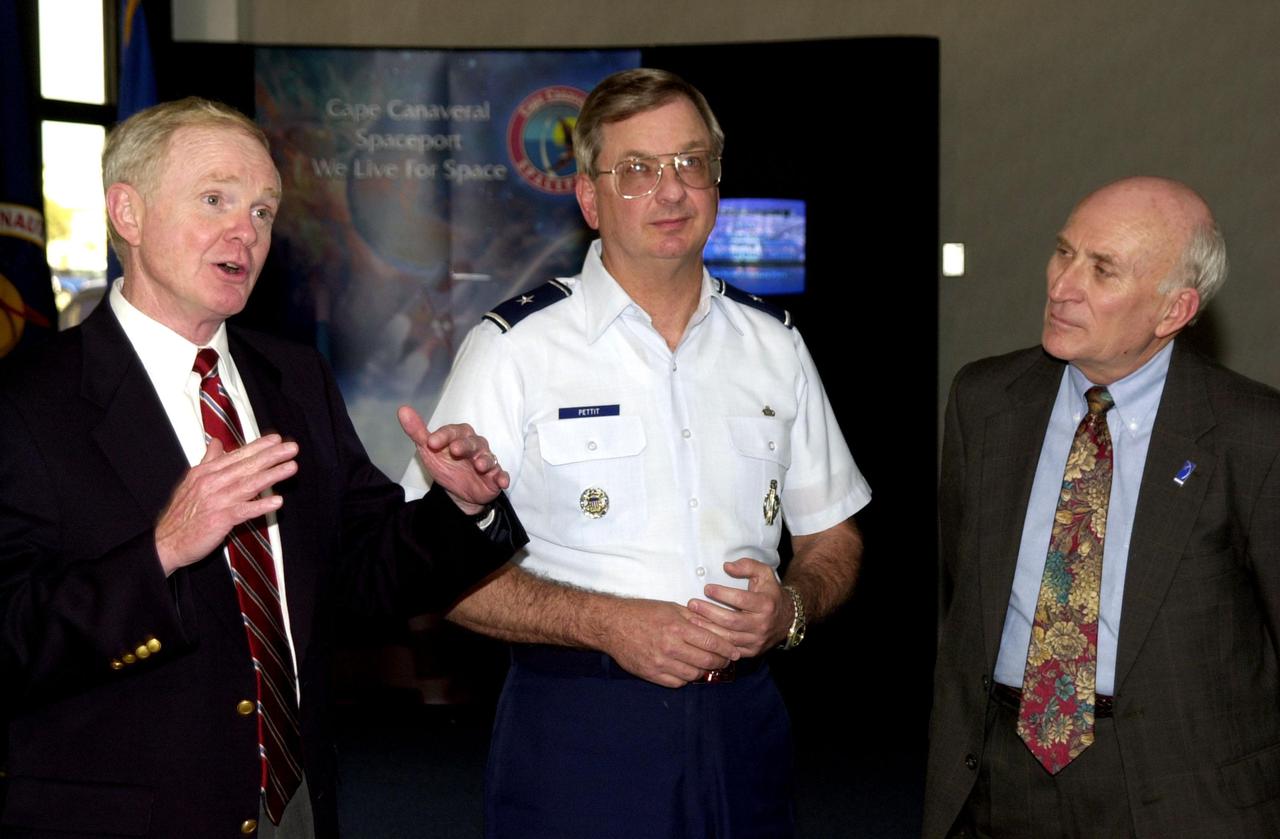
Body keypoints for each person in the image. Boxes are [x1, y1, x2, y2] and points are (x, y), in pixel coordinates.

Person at [0, 97, 527, 839]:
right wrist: (162, 550)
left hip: (296, 805)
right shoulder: (29, 400)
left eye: (261, 210)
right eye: (215, 198)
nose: (243, 232)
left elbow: (363, 574)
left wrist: (459, 507)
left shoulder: (293, 378)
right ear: (128, 212)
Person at [402, 67, 869, 838]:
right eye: (638, 170)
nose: (672, 190)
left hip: (745, 723)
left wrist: (790, 608)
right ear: (589, 197)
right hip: (579, 723)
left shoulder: (775, 345)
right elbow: (431, 569)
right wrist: (607, 623)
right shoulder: (514, 348)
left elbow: (833, 536)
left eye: (691, 164)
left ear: (716, 184)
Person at [924, 176, 1280, 837]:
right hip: (1003, 775)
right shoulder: (985, 402)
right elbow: (961, 593)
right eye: (1064, 252)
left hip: (1179, 790)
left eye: (1102, 269)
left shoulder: (1252, 433)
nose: (1062, 284)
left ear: (1173, 310)